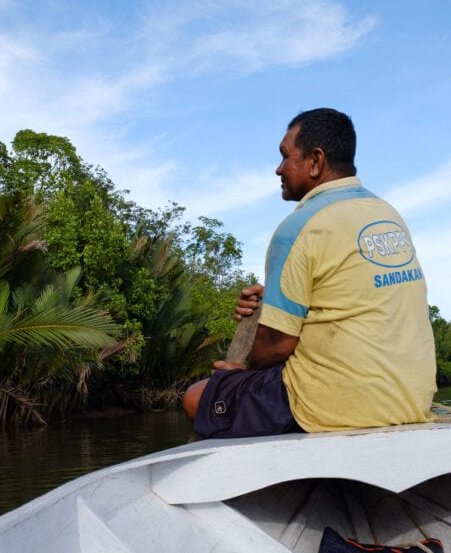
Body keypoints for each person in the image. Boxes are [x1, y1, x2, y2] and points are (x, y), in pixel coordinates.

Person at [183, 108, 436, 438]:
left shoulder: (299, 227)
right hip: (410, 400)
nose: (278, 169)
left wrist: (241, 371)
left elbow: (274, 347)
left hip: (338, 403)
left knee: (196, 397)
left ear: (315, 161)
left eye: (285, 156)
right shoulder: (386, 213)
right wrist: (270, 302)